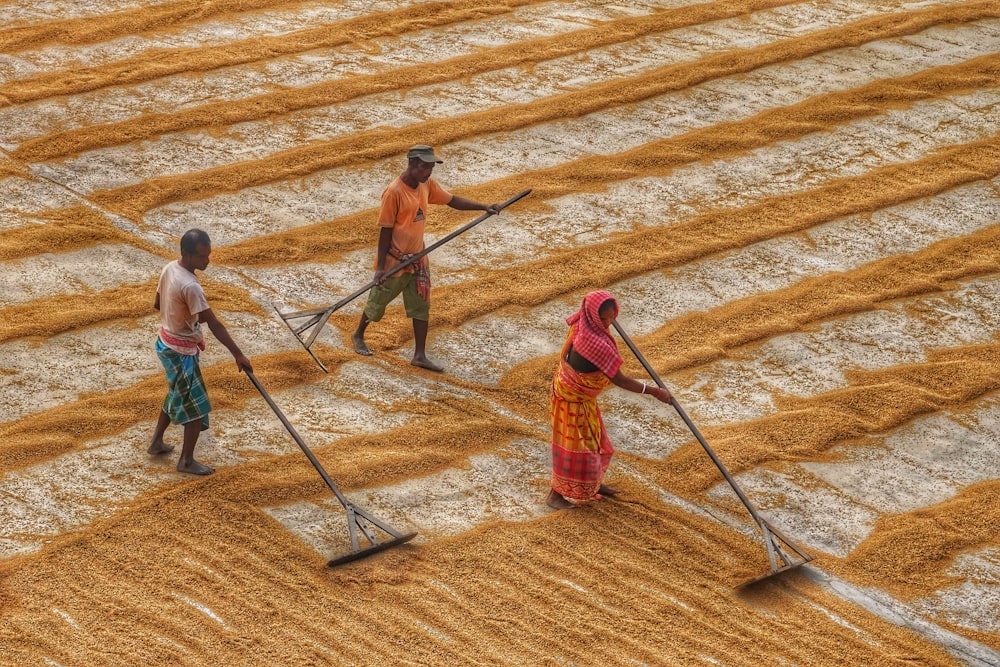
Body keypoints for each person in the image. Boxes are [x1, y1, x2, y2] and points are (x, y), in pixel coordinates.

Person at [352, 144, 501, 373]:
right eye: (425, 167)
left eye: (431, 167)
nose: (429, 172)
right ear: (412, 164)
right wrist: (380, 268)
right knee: (378, 301)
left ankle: (419, 355)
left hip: (418, 258)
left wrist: (483, 207)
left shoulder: (426, 185)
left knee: (421, 305)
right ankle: (359, 334)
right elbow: (385, 231)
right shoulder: (394, 192)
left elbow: (451, 200)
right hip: (395, 260)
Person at [546, 291, 672, 510]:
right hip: (572, 399)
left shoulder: (583, 322)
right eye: (604, 319)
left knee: (596, 445)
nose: (609, 323)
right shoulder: (595, 344)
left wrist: (606, 320)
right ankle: (555, 495)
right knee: (576, 450)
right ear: (593, 316)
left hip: (580, 397)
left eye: (612, 317)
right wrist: (654, 392)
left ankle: (593, 485)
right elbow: (620, 379)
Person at [147, 228, 253, 475]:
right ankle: (186, 461)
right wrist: (238, 354)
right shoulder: (191, 286)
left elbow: (157, 302)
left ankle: (156, 443)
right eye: (201, 257)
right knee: (197, 408)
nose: (206, 261)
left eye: (208, 255)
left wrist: (179, 315)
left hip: (165, 341)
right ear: (186, 254)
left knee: (175, 394)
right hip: (180, 351)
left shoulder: (169, 268)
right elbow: (214, 323)